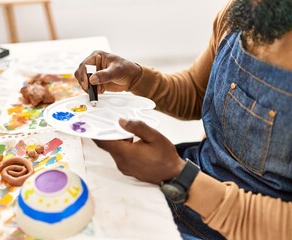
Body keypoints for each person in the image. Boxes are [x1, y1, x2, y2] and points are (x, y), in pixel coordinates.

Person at [75, 0, 291, 239]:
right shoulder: (242, 11)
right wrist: (138, 78)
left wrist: (179, 177)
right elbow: (198, 93)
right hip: (187, 179)